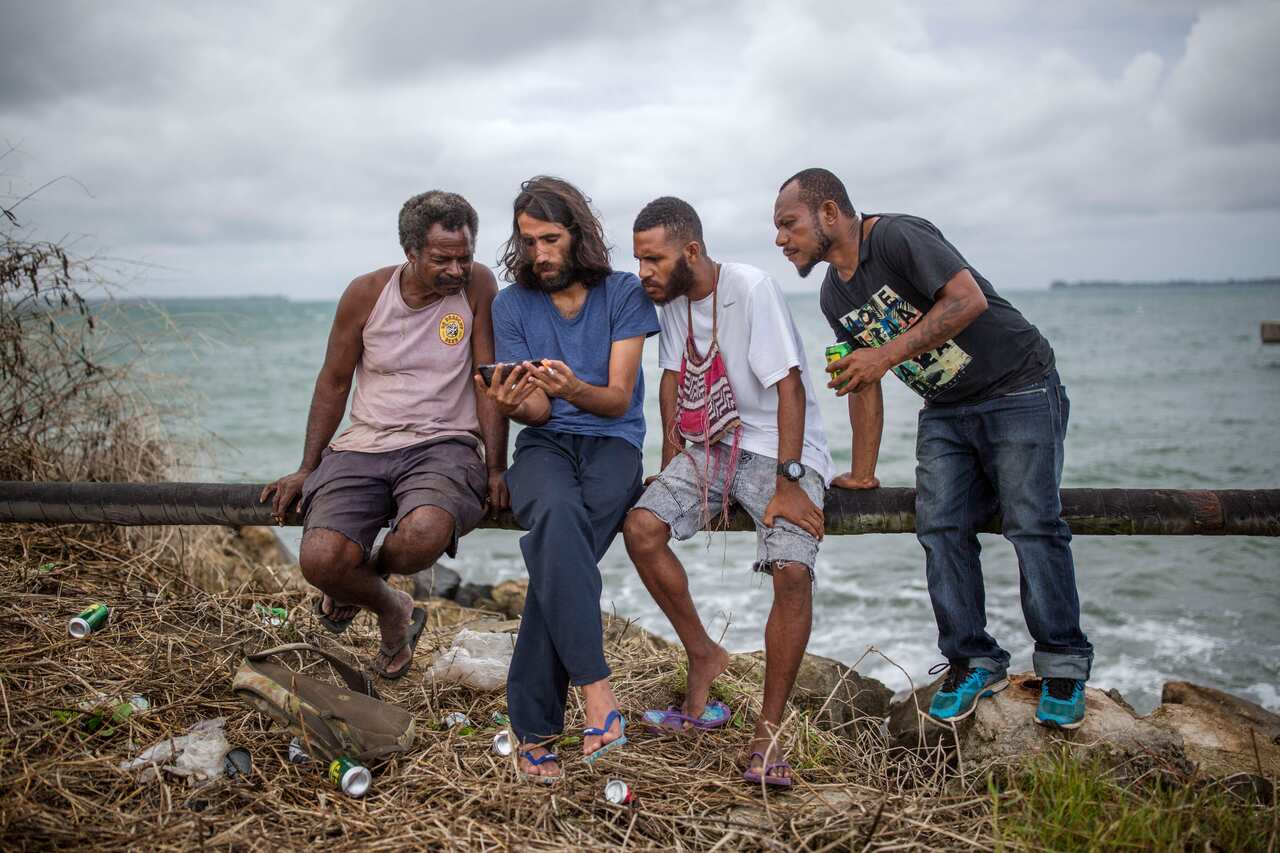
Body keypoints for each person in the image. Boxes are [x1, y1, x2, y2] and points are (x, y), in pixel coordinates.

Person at [773, 168, 1092, 729]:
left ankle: (1062, 664)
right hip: (946, 408)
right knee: (940, 525)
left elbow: (966, 300)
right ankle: (973, 658)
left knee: (1032, 522)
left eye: (788, 224)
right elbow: (863, 377)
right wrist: (863, 472)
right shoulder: (833, 294)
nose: (781, 239)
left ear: (828, 213)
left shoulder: (896, 236)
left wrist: (886, 354)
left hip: (1017, 385)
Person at [623, 196, 834, 786]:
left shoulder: (752, 287)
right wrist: (669, 462)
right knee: (641, 527)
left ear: (691, 250)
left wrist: (791, 481)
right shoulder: (670, 300)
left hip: (779, 448)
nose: (645, 273)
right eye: (640, 260)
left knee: (791, 570)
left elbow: (788, 385)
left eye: (655, 259)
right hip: (711, 445)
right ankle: (703, 652)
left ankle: (767, 738)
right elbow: (671, 376)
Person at [261, 191, 506, 679]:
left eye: (465, 256)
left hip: (444, 443)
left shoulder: (477, 285)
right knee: (321, 559)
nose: (457, 269)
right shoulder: (365, 294)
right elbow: (334, 381)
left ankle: (363, 584)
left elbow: (486, 377)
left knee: (422, 536)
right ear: (410, 252)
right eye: (442, 259)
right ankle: (394, 608)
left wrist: (496, 466)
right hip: (365, 444)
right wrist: (307, 466)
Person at [479, 176, 659, 782]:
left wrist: (570, 387)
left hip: (613, 443)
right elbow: (537, 411)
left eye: (550, 239)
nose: (540, 255)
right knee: (556, 521)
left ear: (577, 234)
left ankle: (532, 730)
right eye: (528, 242)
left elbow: (614, 399)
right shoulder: (511, 304)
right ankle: (598, 696)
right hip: (545, 444)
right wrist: (512, 403)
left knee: (556, 561)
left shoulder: (625, 293)